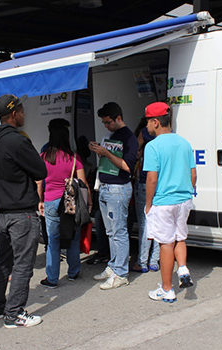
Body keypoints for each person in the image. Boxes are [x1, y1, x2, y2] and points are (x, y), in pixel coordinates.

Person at [0, 94, 47, 328]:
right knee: (22, 264)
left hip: (2, 211)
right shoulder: (17, 140)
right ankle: (14, 314)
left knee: (2, 262)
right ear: (14, 113)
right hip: (21, 211)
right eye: (22, 111)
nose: (24, 115)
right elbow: (40, 170)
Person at [143, 102, 196, 303]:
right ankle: (182, 267)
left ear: (156, 122)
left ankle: (167, 289)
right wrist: (188, 193)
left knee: (166, 244)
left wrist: (149, 203)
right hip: (183, 200)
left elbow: (152, 179)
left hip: (163, 202)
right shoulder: (184, 143)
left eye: (148, 121)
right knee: (180, 238)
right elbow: (193, 174)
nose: (146, 126)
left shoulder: (153, 146)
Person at [89, 102, 138, 290]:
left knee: (119, 231)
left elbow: (127, 166)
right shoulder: (113, 135)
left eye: (108, 122)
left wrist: (106, 153)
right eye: (104, 123)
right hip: (106, 187)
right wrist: (98, 149)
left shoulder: (129, 138)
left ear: (118, 118)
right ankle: (113, 266)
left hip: (118, 188)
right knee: (110, 232)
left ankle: (121, 273)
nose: (106, 126)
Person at [37, 126, 92, 288]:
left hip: (50, 201)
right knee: (73, 236)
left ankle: (52, 278)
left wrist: (40, 200)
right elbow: (83, 183)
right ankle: (74, 271)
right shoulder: (74, 158)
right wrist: (89, 202)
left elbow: (39, 182)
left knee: (53, 240)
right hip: (70, 202)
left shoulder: (44, 157)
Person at [131, 119, 160, 273]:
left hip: (144, 181)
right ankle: (154, 261)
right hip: (161, 184)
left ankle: (142, 262)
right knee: (159, 224)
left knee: (145, 224)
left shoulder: (143, 133)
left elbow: (135, 153)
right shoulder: (166, 137)